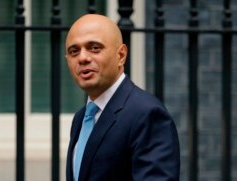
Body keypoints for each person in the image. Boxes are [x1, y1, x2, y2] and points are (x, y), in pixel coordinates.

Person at [65, 14, 180, 181]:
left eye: (95, 47)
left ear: (121, 56)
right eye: (74, 51)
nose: (82, 58)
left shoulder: (147, 115)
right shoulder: (80, 118)